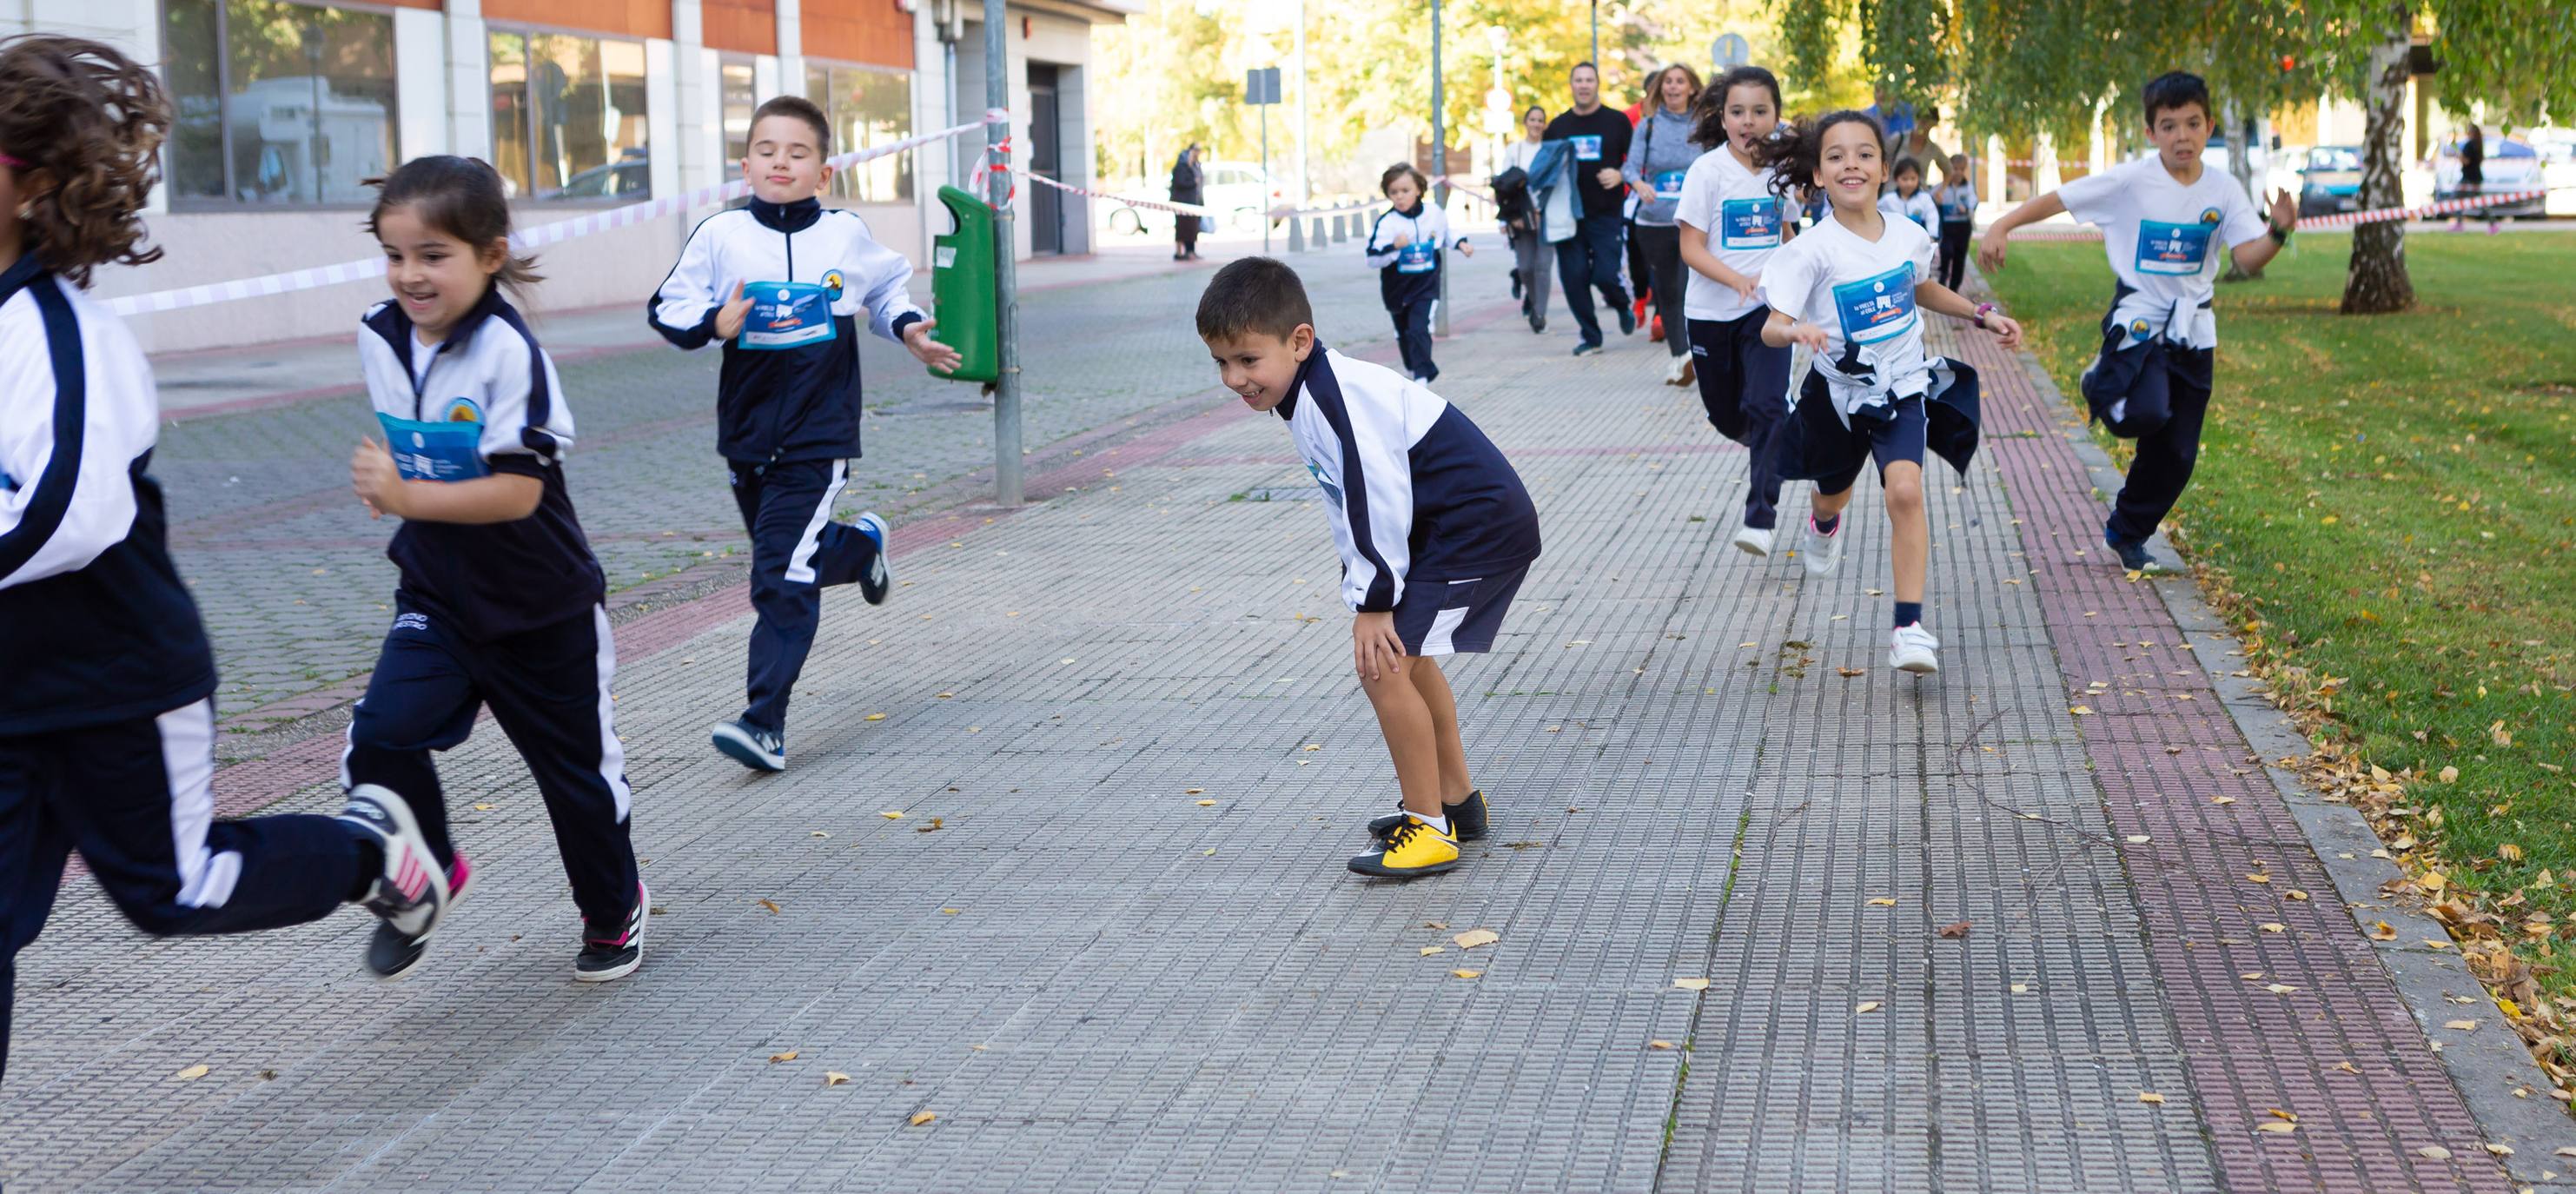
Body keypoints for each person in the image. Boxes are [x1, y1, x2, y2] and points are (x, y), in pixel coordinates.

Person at [3, 34, 447, 1083]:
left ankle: (372, 852)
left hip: (113, 680)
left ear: (27, 187)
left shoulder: (62, 338)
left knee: (175, 890)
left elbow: (69, 512)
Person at [345, 156, 647, 981]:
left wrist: (404, 491)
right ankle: (427, 871)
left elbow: (517, 493)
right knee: (379, 735)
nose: (411, 275)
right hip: (439, 594)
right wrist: (395, 482)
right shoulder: (378, 331)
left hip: (540, 606)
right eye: (396, 254)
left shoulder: (511, 354)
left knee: (576, 784)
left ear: (490, 254)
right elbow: (421, 447)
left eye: (433, 255)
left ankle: (613, 907)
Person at [1196, 258, 1542, 878]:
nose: (1233, 378)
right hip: (1450, 528)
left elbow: (1372, 498)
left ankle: (1429, 828)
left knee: (1382, 667)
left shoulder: (1333, 399)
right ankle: (1456, 802)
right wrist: (1365, 589)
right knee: (1408, 660)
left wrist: (1374, 600)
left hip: (1474, 529)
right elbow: (1349, 503)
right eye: (1221, 362)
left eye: (1247, 360)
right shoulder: (1311, 391)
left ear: (1299, 341)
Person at [650, 96, 963, 772]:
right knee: (795, 556)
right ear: (746, 166)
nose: (780, 162)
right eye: (767, 151)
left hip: (820, 436)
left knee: (778, 577)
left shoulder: (844, 234)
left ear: (823, 172)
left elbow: (885, 289)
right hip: (747, 434)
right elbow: (668, 308)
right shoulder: (720, 235)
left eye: (797, 153)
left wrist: (908, 328)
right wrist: (713, 323)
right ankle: (860, 549)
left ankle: (764, 723)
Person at [1979, 70, 2293, 574]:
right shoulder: (2131, 181)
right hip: (2139, 325)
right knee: (2146, 414)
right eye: (2169, 126)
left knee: (2179, 453)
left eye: (2193, 124)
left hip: (2195, 331)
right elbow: (2062, 198)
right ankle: (2100, 381)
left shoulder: (2224, 188)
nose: (2182, 136)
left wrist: (2278, 230)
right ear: (2151, 133)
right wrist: (2002, 223)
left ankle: (2127, 532)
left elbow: (2248, 258)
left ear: (2210, 125)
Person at [1755, 110, 2025, 675]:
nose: (1850, 163)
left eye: (1863, 153)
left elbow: (1920, 286)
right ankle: (1823, 524)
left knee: (1904, 491)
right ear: (1818, 175)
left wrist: (1980, 313)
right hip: (1835, 396)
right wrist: (1796, 330)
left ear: (1883, 167)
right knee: (1831, 492)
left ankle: (1908, 628)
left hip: (1901, 387)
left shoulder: (1908, 235)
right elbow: (1770, 326)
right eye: (1835, 156)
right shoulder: (1811, 250)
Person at [1675, 64, 1798, 557]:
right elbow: (1691, 248)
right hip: (1710, 313)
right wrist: (1736, 280)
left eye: (1760, 111)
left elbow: (1789, 236)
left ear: (1776, 116)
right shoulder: (1706, 171)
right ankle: (1778, 446)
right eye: (1738, 111)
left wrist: (1796, 281)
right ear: (1722, 118)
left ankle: (1760, 518)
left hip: (1768, 311)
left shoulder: (1783, 172)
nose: (1749, 121)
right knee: (1729, 415)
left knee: (1769, 406)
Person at [1544, 63, 1638, 356]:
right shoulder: (1558, 126)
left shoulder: (1616, 121)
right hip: (1568, 215)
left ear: (1597, 85)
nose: (1584, 85)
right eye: (1578, 80)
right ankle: (1591, 335)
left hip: (1606, 212)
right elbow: (1545, 170)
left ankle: (1622, 304)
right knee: (1573, 279)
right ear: (1571, 85)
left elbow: (1635, 162)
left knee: (1605, 274)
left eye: (1589, 80)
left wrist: (1621, 174)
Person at [1622, 63, 1705, 385]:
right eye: (1667, 82)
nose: (1672, 87)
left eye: (1679, 81)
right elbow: (1630, 168)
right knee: (1669, 292)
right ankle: (1680, 357)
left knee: (1691, 289)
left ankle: (1697, 354)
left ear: (1691, 88)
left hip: (1693, 221)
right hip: (1654, 222)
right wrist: (1640, 185)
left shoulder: (1703, 126)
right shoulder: (1648, 125)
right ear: (1660, 89)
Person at [1364, 163, 1473, 383]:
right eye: (1394, 192)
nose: (1400, 197)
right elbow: (1372, 259)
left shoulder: (1434, 213)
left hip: (1426, 285)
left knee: (1418, 328)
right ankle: (1415, 370)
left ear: (1419, 190)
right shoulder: (1387, 223)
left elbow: (1446, 233)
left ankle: (1422, 378)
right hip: (1397, 289)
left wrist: (1461, 244)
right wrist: (1394, 247)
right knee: (1404, 333)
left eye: (1405, 191)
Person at [1501, 104, 1553, 332]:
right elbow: (1503, 187)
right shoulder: (1515, 150)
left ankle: (1540, 314)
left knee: (1543, 266)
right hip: (1521, 218)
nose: (1536, 124)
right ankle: (1533, 300)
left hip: (1547, 217)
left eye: (1540, 120)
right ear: (1525, 123)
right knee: (1525, 267)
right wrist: (1508, 219)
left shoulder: (1550, 150)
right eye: (1533, 120)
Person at [1930, 153, 1977, 290]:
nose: (1958, 173)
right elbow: (1929, 199)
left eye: (1961, 169)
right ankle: (1942, 283)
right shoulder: (1942, 187)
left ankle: (1954, 288)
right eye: (1955, 169)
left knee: (1959, 258)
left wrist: (1967, 208)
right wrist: (1936, 201)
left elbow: (1974, 201)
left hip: (1963, 227)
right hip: (1947, 227)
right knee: (1946, 252)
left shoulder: (1968, 187)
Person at [2451, 123, 2495, 234]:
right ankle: (2492, 223)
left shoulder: (2470, 145)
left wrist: (2456, 151)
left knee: (2458, 198)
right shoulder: (2478, 144)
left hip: (2468, 178)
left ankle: (2459, 223)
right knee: (2479, 201)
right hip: (2476, 177)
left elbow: (2466, 161)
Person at [1878, 156, 1939, 234]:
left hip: (1920, 241)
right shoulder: (1888, 199)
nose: (1909, 183)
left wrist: (1932, 236)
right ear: (1896, 179)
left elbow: (1932, 218)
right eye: (1905, 179)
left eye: (1913, 178)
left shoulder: (1925, 198)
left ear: (1918, 178)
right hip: (1896, 240)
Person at [1170, 144, 1206, 260]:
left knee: (1192, 229)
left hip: (1193, 202)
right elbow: (1180, 183)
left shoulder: (1194, 167)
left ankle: (1190, 251)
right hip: (1182, 203)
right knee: (1183, 229)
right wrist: (1194, 182)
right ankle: (1181, 252)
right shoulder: (1181, 168)